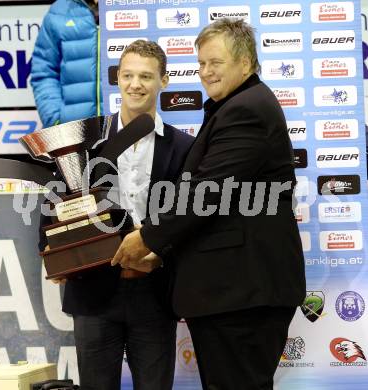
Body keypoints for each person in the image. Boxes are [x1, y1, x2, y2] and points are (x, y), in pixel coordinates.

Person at [112, 19, 306, 390]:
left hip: (241, 295)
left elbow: (208, 192)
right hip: (233, 293)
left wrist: (149, 239)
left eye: (215, 62)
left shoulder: (245, 109)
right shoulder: (234, 105)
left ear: (245, 63)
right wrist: (164, 249)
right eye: (201, 64)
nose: (205, 72)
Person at [38, 40, 193, 390]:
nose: (135, 84)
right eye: (128, 75)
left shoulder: (184, 148)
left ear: (164, 81)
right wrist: (52, 251)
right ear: (117, 79)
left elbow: (187, 218)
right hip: (93, 291)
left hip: (154, 293)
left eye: (146, 76)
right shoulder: (85, 140)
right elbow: (55, 196)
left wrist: (160, 255)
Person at [30, 0, 102, 128]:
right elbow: (44, 73)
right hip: (72, 134)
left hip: (127, 132)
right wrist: (55, 120)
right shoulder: (59, 11)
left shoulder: (136, 6)